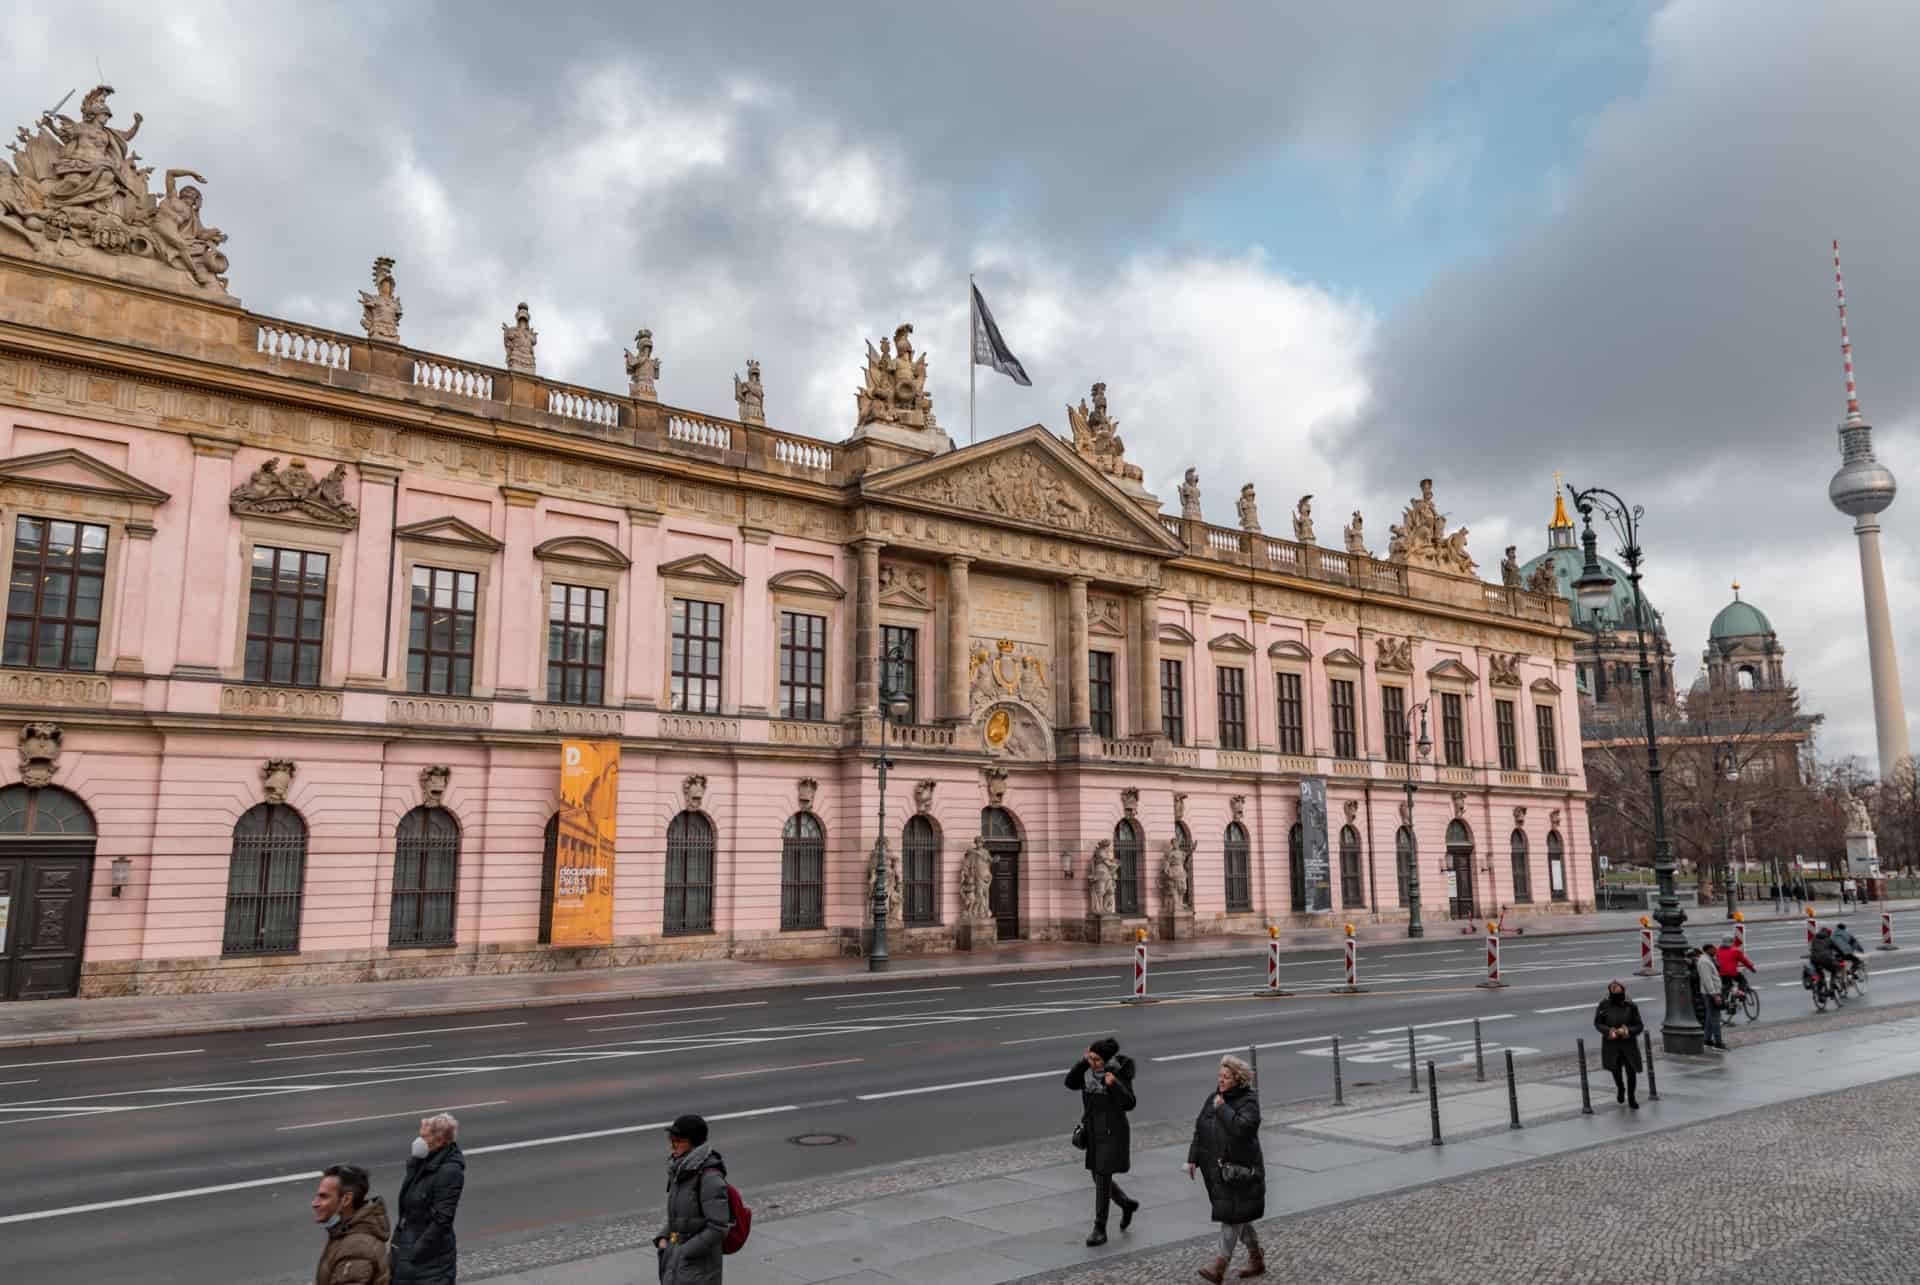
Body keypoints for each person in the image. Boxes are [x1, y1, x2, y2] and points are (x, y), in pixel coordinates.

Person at [1187, 1055, 1265, 1282]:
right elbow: (1199, 1129)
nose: (1220, 1080)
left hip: (1239, 1172)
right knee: (1239, 1216)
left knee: (1231, 1217)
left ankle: (1219, 1267)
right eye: (1219, 1076)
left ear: (1238, 1079)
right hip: (1216, 1171)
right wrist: (1192, 1158)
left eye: (1226, 1077)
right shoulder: (1214, 1098)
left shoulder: (1249, 1101)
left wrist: (1222, 1109)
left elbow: (1243, 1129)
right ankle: (1256, 1258)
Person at [1066, 1036, 1138, 1247]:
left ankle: (1100, 1229)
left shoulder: (1117, 1073)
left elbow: (1129, 1103)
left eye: (1097, 1060)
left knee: (1102, 1176)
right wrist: (1082, 1062)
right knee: (1097, 1177)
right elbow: (1070, 1083)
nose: (1093, 1063)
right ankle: (1126, 1203)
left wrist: (1114, 1085)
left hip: (1112, 1132)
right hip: (1093, 1131)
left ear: (1107, 1060)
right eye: (1091, 1058)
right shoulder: (1088, 1073)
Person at [655, 1114, 731, 1285]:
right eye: (671, 1139)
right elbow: (680, 1216)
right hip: (678, 1261)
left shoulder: (709, 1178)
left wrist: (684, 1252)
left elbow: (718, 1228)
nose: (672, 1145)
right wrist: (663, 1237)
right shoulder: (681, 1170)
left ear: (693, 1142)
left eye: (678, 1140)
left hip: (699, 1269)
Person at [392, 1113, 465, 1284]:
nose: (418, 1140)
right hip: (408, 1246)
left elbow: (442, 1219)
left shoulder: (449, 1171)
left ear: (439, 1141)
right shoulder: (420, 1162)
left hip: (430, 1261)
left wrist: (415, 1251)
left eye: (424, 1136)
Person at [312, 1163, 392, 1285]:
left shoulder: (356, 1248)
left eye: (324, 1197)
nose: (315, 1203)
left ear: (347, 1199)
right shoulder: (347, 1234)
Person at [1594, 980, 1645, 1108]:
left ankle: (1632, 1097)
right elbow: (1598, 1023)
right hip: (1611, 1044)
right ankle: (1620, 1088)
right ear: (1610, 991)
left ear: (1622, 990)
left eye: (1618, 988)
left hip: (1628, 1044)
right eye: (1613, 988)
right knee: (1615, 1070)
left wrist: (1627, 1030)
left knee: (1631, 1071)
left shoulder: (1630, 1006)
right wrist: (1608, 1031)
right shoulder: (1603, 1005)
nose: (1615, 990)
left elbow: (1639, 1025)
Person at [1691, 947, 1727, 1050]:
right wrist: (1715, 994)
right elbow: (1707, 980)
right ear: (1708, 950)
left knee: (1710, 1018)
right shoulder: (1704, 962)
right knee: (1715, 1018)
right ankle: (1718, 1043)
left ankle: (1707, 1040)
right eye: (1713, 949)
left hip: (1710, 993)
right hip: (1710, 993)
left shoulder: (1706, 960)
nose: (1715, 951)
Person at [1716, 936, 1757, 1015]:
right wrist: (1752, 968)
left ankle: (1730, 1005)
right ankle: (1741, 994)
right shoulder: (1735, 951)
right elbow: (1745, 961)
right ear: (1732, 942)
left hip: (1721, 974)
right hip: (1732, 973)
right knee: (1742, 980)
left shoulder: (1718, 951)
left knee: (1728, 987)